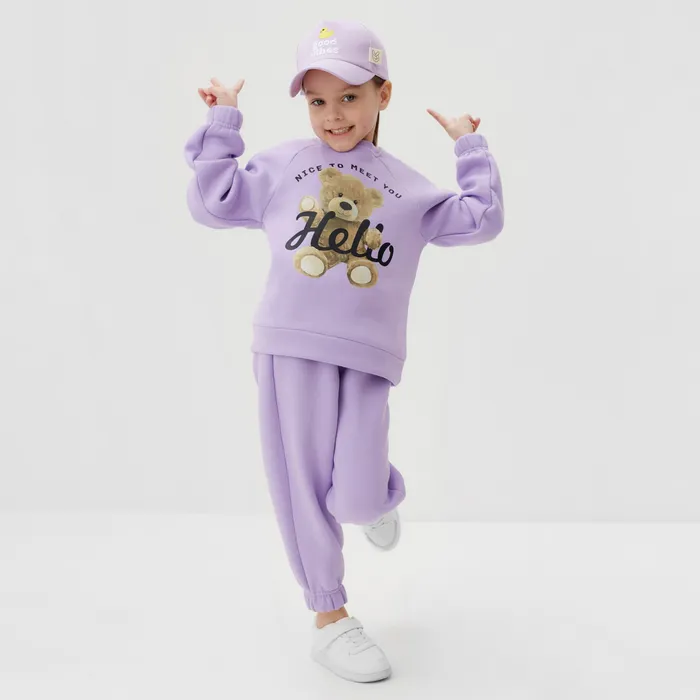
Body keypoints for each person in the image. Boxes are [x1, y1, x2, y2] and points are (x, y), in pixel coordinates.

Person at [183, 18, 504, 684]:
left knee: (358, 498)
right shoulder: (283, 165)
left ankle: (377, 497)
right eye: (318, 100)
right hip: (290, 346)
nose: (333, 115)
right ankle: (330, 619)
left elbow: (480, 219)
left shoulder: (408, 188)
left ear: (383, 94)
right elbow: (214, 201)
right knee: (303, 487)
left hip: (369, 359)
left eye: (350, 97)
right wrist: (224, 122)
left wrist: (469, 145)